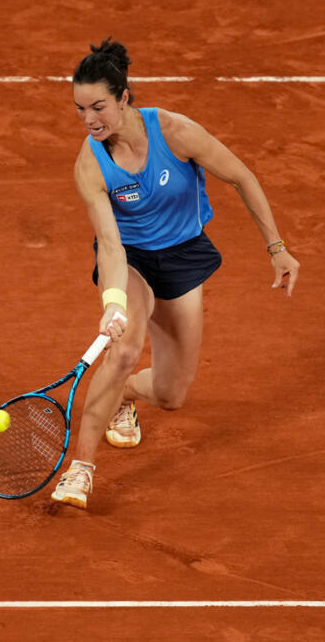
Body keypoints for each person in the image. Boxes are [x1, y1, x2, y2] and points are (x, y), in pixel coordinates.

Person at [50, 39, 300, 509]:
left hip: (183, 254)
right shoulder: (91, 164)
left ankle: (122, 395)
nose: (89, 120)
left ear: (124, 96)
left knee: (170, 394)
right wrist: (115, 304)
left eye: (98, 106)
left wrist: (277, 247)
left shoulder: (175, 132)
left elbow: (242, 176)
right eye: (80, 109)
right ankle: (80, 470)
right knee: (123, 350)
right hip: (131, 259)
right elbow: (109, 242)